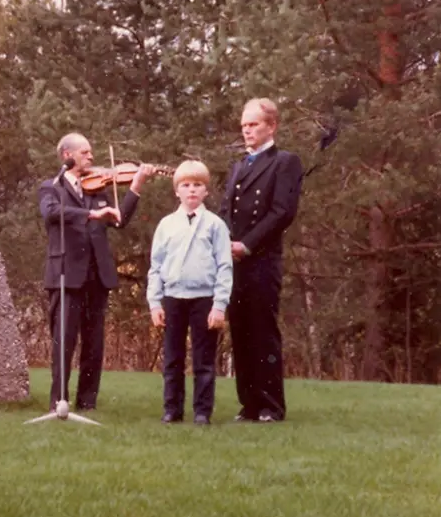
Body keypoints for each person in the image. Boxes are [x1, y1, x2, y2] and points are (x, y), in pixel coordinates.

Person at [38, 134, 153, 410]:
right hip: (65, 273)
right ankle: (59, 401)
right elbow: (51, 213)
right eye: (85, 152)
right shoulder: (50, 187)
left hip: (96, 276)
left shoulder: (98, 190)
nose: (92, 157)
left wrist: (135, 187)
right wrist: (90, 215)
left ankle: (87, 401)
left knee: (94, 343)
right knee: (63, 341)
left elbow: (119, 220)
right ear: (67, 154)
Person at [220, 97, 303, 422]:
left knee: (262, 330)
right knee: (239, 331)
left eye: (253, 124)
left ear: (272, 126)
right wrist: (224, 241)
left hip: (261, 260)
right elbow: (227, 210)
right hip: (233, 261)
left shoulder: (286, 162)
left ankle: (271, 404)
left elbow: (282, 212)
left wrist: (247, 245)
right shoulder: (239, 166)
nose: (247, 130)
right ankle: (249, 403)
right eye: (244, 125)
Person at [147, 161, 233, 425]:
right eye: (186, 185)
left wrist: (219, 305)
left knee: (203, 359)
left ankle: (202, 412)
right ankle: (172, 409)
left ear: (206, 191)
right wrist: (154, 302)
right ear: (177, 191)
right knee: (172, 358)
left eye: (197, 185)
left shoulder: (215, 225)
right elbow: (156, 266)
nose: (192, 191)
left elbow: (224, 265)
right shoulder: (167, 225)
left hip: (204, 299)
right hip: (173, 298)